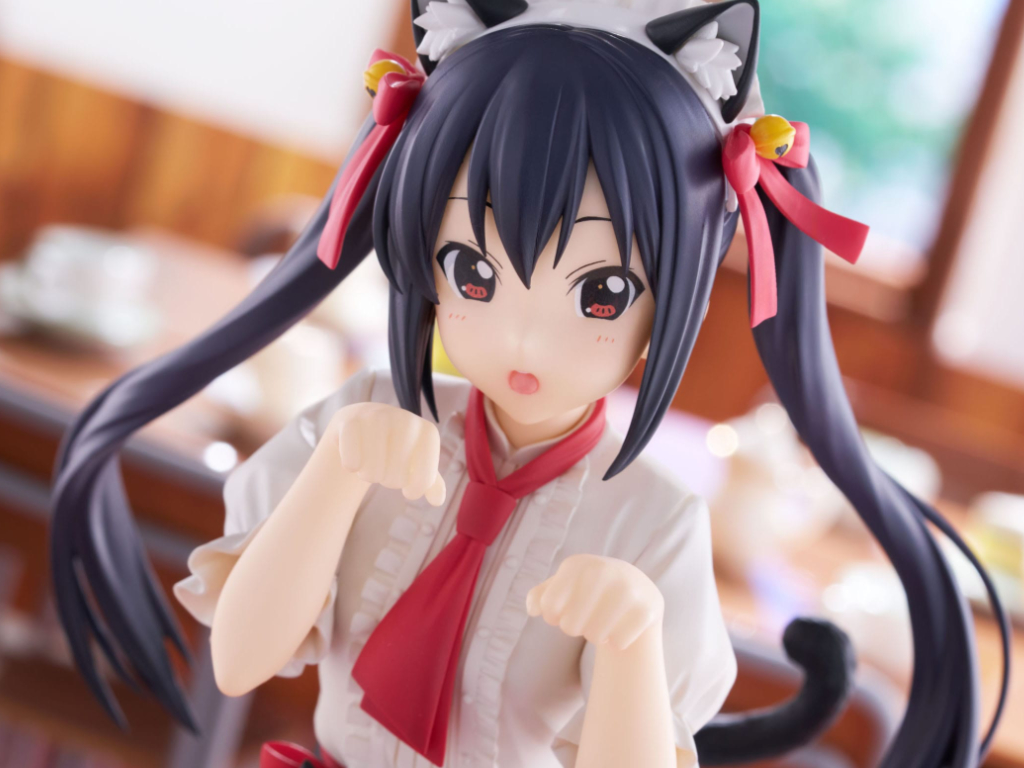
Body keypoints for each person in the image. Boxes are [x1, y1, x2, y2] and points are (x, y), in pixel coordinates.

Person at [49, 1, 1009, 767]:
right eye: (474, 272)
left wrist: (632, 648)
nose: (523, 336)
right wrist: (331, 479)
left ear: (670, 301)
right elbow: (240, 660)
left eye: (600, 292)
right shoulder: (365, 420)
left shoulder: (655, 521)